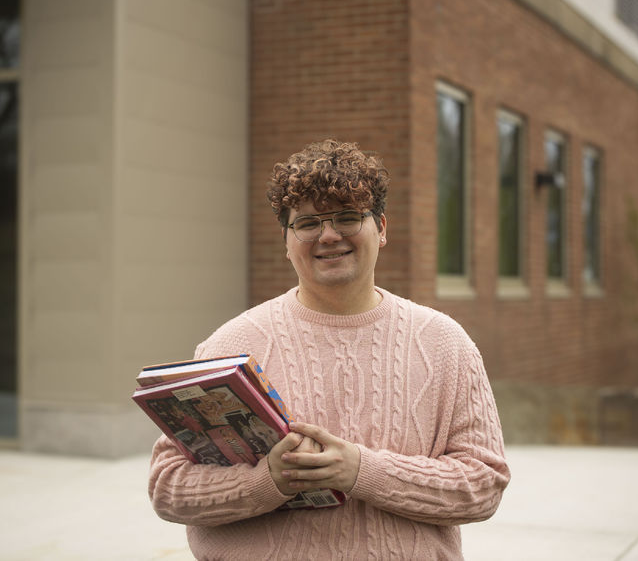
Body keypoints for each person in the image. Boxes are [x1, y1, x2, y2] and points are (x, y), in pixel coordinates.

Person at [148, 139, 510, 560]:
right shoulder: (230, 345)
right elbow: (168, 487)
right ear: (286, 240)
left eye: (347, 217)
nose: (329, 235)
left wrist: (363, 472)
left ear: (383, 228)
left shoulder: (444, 344)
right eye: (308, 222)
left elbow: (483, 486)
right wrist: (267, 482)